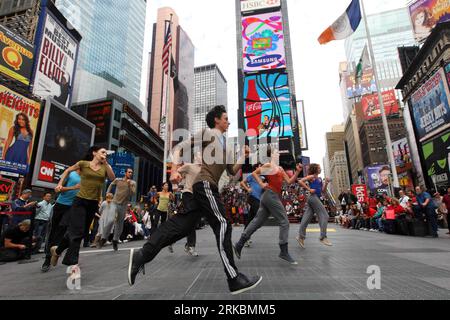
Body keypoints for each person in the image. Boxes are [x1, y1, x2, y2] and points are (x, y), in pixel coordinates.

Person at [127, 105, 262, 295]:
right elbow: (179, 148)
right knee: (223, 224)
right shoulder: (208, 133)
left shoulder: (226, 144)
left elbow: (232, 170)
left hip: (207, 188)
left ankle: (142, 255)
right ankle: (234, 278)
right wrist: (174, 170)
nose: (228, 121)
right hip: (205, 185)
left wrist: (243, 155)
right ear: (216, 120)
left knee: (182, 226)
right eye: (225, 118)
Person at [50, 146, 115, 269]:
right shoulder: (83, 164)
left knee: (80, 232)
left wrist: (106, 163)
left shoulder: (105, 167)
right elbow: (68, 170)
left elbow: (112, 178)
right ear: (94, 153)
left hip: (93, 203)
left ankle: (57, 251)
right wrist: (59, 184)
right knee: (77, 231)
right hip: (79, 201)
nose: (105, 154)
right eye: (102, 152)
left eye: (106, 153)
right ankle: (72, 262)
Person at [234, 149, 303, 265]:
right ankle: (283, 251)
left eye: (278, 153)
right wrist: (261, 184)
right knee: (284, 222)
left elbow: (290, 181)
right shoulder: (269, 165)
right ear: (271, 155)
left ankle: (239, 244)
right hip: (270, 194)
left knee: (257, 221)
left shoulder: (280, 169)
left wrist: (297, 172)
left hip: (271, 196)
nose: (278, 154)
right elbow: (255, 173)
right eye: (276, 152)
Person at [41, 169, 81, 272]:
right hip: (60, 205)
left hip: (72, 208)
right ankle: (47, 258)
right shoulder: (70, 173)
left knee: (65, 232)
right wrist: (74, 187)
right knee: (53, 233)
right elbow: (58, 189)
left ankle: (59, 253)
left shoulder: (87, 177)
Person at [99, 168, 136, 251]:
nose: (130, 173)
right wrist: (107, 193)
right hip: (114, 203)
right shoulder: (118, 180)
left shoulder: (133, 183)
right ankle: (104, 238)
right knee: (110, 220)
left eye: (131, 172)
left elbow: (132, 194)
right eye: (129, 172)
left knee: (119, 224)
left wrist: (129, 185)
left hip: (123, 205)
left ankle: (115, 240)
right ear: (125, 173)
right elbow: (111, 184)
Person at [297, 164, 332, 248]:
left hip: (315, 198)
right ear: (315, 169)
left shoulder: (319, 178)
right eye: (319, 168)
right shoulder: (312, 176)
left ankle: (301, 237)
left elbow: (323, 191)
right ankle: (323, 237)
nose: (320, 169)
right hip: (313, 197)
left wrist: (326, 183)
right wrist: (309, 189)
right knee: (325, 216)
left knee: (306, 218)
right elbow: (300, 181)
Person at [240, 164, 263, 246]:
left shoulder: (262, 178)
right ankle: (246, 236)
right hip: (253, 198)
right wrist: (248, 189)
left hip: (259, 199)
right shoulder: (251, 175)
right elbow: (242, 183)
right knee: (259, 216)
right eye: (260, 166)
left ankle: (245, 237)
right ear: (256, 168)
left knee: (250, 219)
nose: (262, 168)